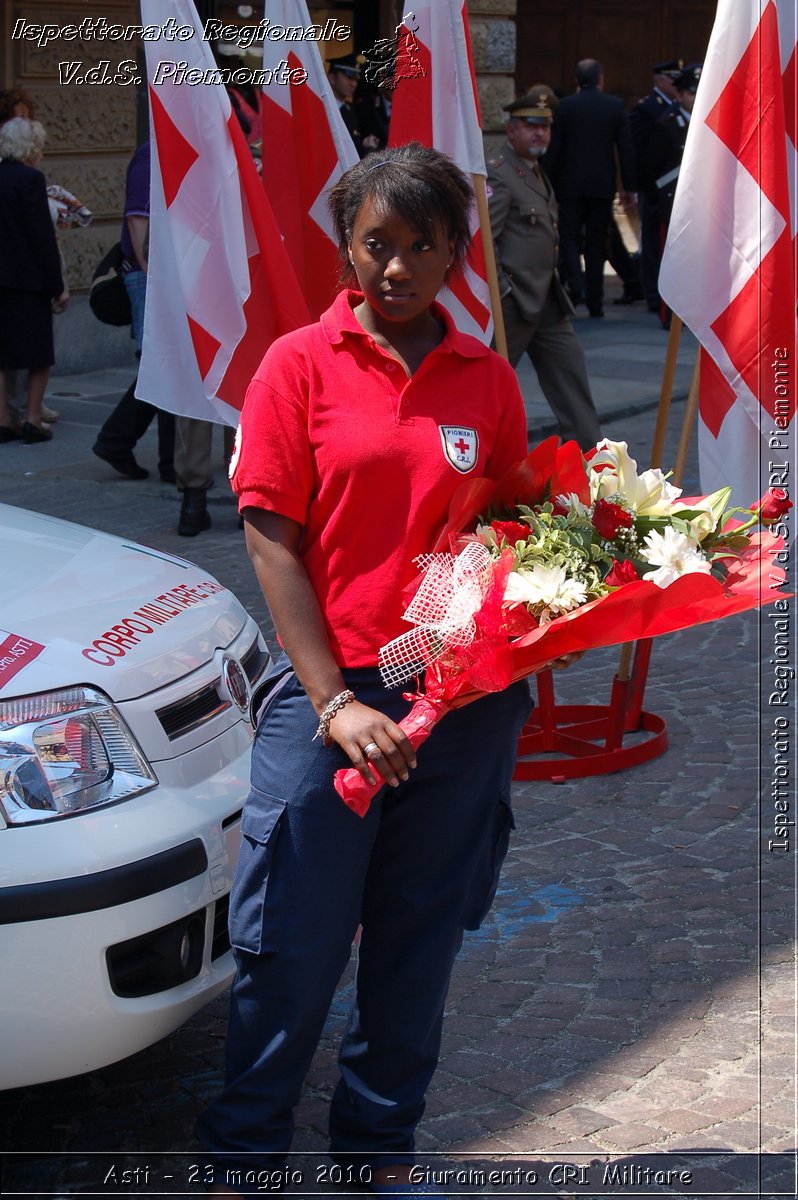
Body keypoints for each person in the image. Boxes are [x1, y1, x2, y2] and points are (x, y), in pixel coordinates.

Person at [197, 143, 579, 1199]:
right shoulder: (297, 366)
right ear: (346, 245)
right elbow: (273, 538)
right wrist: (334, 704)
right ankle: (243, 1157)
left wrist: (471, 656)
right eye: (378, 244)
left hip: (460, 702)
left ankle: (377, 1149)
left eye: (423, 246)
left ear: (457, 251)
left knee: (419, 939)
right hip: (335, 698)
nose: (398, 267)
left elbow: (495, 535)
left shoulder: (486, 376)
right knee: (293, 944)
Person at [486, 88, 601, 450]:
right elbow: (485, 241)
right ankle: (473, 461)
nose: (540, 134)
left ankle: (592, 463)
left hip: (547, 300)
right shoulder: (499, 174)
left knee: (571, 375)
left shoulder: (534, 172)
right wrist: (503, 290)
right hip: (513, 303)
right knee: (487, 389)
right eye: (530, 126)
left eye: (545, 127)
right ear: (512, 130)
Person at [92, 141, 175, 481]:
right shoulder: (152, 154)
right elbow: (138, 222)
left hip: (158, 276)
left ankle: (120, 442)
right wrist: (160, 287)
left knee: (165, 369)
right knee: (164, 369)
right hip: (148, 276)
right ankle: (165, 462)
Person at [544, 59, 636, 319]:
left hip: (569, 186)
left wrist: (545, 183)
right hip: (601, 187)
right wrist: (629, 187)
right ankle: (596, 302)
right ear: (601, 79)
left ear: (576, 80)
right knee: (596, 243)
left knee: (569, 239)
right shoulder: (614, 107)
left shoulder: (565, 107)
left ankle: (578, 286)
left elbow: (555, 149)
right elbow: (626, 151)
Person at [0, 117, 68, 444]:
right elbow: (41, 236)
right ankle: (32, 418)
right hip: (27, 280)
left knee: (1, 352)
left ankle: (2, 418)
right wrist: (57, 285)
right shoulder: (30, 180)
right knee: (39, 353)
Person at [641, 64, 702, 328]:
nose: (696, 97)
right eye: (690, 92)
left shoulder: (710, 122)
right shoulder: (667, 124)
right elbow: (650, 172)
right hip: (672, 205)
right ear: (679, 94)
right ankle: (670, 315)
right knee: (673, 262)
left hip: (701, 206)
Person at [629, 60, 684, 312]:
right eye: (671, 79)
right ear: (660, 81)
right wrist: (643, 187)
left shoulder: (676, 109)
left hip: (676, 190)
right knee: (652, 245)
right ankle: (653, 294)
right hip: (655, 186)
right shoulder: (648, 108)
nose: (675, 84)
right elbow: (639, 151)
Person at [327, 55, 380, 157]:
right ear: (332, 78)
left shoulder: (351, 110)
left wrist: (365, 144)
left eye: (356, 79)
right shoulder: (323, 107)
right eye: (349, 77)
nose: (353, 84)